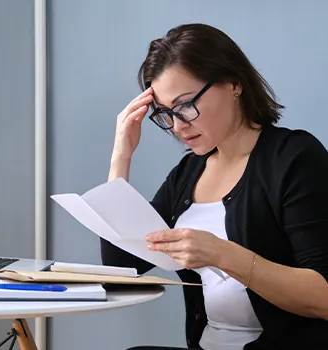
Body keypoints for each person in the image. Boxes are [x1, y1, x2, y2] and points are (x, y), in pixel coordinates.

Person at [100, 23, 328, 350]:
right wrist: (121, 155)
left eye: (186, 105)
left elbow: (323, 296)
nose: (178, 126)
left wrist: (222, 254)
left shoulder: (295, 159)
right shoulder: (190, 171)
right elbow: (121, 266)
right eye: (165, 113)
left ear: (234, 83)